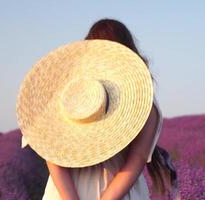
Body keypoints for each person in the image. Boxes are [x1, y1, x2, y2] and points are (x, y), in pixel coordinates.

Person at [21, 18, 179, 200]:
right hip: (120, 193)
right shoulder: (144, 104)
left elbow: (51, 155)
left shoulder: (64, 96)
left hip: (65, 192)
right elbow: (137, 160)